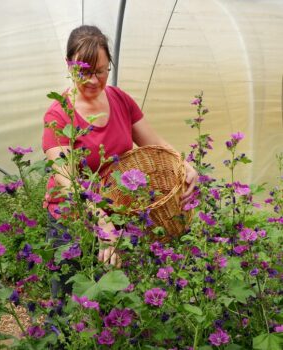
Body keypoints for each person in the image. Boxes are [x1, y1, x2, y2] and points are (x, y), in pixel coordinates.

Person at [42, 25, 198, 268]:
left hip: (117, 214)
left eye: (102, 71)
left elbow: (156, 144)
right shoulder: (59, 117)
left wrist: (184, 165)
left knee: (118, 296)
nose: (94, 80)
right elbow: (69, 183)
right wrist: (102, 223)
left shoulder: (120, 100)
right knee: (74, 299)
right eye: (85, 72)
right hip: (73, 221)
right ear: (68, 65)